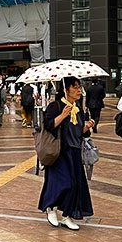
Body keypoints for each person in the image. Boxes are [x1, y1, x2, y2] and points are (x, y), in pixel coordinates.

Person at [38, 77, 95, 231]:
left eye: (79, 87)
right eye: (75, 87)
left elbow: (80, 134)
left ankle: (67, 216)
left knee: (75, 185)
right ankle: (51, 208)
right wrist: (63, 115)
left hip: (74, 151)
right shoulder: (55, 106)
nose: (79, 90)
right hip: (59, 152)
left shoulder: (78, 108)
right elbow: (49, 126)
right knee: (62, 182)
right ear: (65, 89)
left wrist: (87, 126)